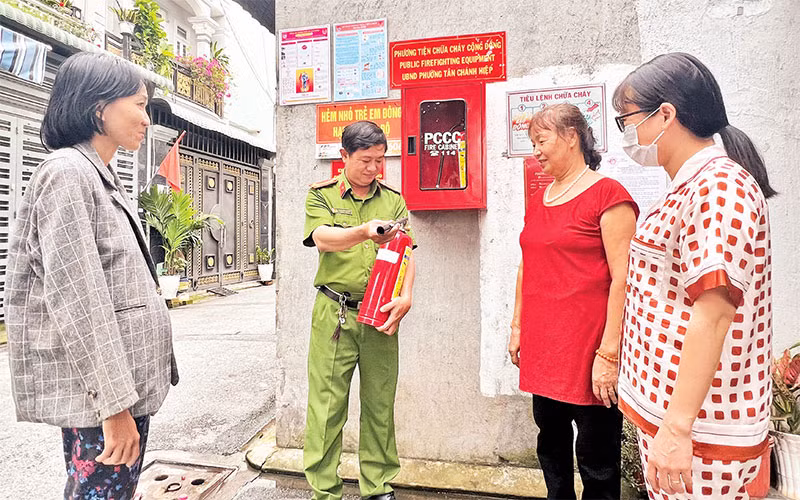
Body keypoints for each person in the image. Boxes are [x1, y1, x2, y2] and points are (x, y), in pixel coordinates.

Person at [5, 52, 178, 498]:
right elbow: (79, 299)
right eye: (139, 105)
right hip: (105, 397)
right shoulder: (67, 174)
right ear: (99, 108)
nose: (147, 119)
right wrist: (114, 407)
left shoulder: (98, 174)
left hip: (119, 388)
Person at [613, 53, 776, 499]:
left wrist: (677, 428)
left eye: (627, 120)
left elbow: (714, 314)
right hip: (675, 421)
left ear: (666, 115)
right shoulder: (691, 184)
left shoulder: (720, 187)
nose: (627, 134)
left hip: (700, 432)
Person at [508, 103, 639, 499]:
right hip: (544, 344)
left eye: (541, 140)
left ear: (571, 137)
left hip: (589, 346)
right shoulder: (542, 196)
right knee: (550, 442)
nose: (535, 151)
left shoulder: (609, 195)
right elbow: (527, 265)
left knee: (597, 455)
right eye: (532, 143)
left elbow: (624, 278)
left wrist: (610, 354)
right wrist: (517, 326)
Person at [302, 121, 416, 500]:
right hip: (335, 313)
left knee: (380, 403)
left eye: (380, 160)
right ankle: (324, 489)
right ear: (344, 156)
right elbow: (322, 238)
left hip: (380, 313)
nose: (373, 168)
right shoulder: (322, 196)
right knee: (327, 406)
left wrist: (406, 296)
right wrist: (364, 231)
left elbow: (406, 251)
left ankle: (378, 485)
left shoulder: (393, 200)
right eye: (365, 160)